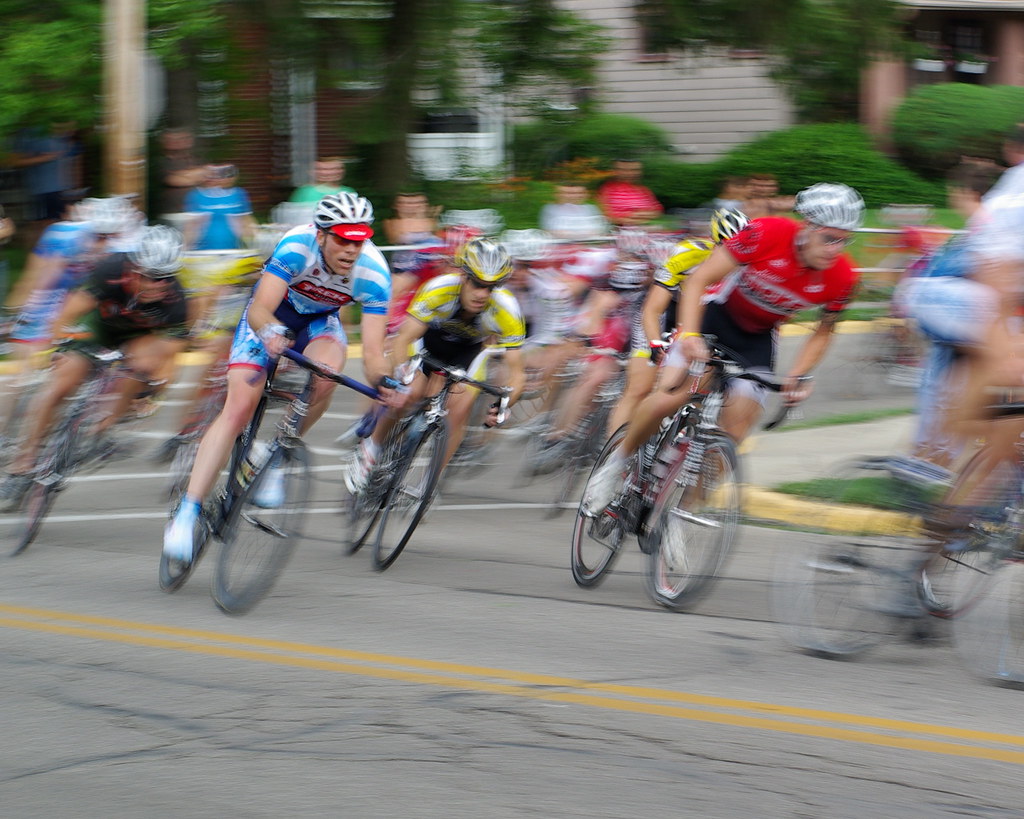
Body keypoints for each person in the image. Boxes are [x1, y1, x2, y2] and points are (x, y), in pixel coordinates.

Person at [583, 182, 864, 515]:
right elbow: (699, 280)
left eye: (845, 240)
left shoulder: (843, 278)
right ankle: (616, 464)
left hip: (756, 337)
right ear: (808, 228)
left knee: (735, 431)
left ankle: (683, 514)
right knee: (671, 395)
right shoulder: (766, 233)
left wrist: (799, 374)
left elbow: (824, 330)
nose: (836, 248)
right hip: (713, 316)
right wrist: (689, 336)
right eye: (829, 238)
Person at [163, 192, 400, 563]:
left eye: (359, 240)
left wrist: (385, 382)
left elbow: (372, 352)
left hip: (320, 323)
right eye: (342, 238)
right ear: (321, 235)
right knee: (239, 408)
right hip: (274, 315)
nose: (351, 249)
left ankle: (275, 457)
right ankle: (187, 512)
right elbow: (259, 308)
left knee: (326, 377)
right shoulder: (295, 246)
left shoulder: (374, 273)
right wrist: (271, 332)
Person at [0, 226, 191, 509]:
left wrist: (151, 391)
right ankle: (22, 464)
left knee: (143, 365)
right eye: (151, 276)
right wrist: (51, 348)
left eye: (166, 278)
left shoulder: (177, 303)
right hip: (97, 326)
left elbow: (167, 359)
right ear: (135, 267)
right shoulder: (111, 269)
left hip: (138, 338)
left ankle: (104, 428)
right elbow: (69, 311)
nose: (158, 285)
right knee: (61, 384)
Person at [345, 237, 526, 492]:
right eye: (477, 283)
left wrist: (505, 403)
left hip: (468, 352)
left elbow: (517, 373)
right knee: (410, 392)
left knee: (458, 410)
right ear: (464, 276)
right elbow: (403, 339)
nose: (482, 294)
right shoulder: (439, 289)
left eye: (491, 287)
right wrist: (403, 375)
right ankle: (370, 448)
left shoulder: (506, 309)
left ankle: (428, 486)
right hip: (426, 343)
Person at [608, 208, 750, 435]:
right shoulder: (688, 254)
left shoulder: (749, 267)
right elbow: (652, 309)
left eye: (741, 249)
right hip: (662, 315)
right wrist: (655, 343)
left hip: (699, 322)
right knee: (640, 387)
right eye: (728, 247)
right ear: (716, 242)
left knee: (695, 387)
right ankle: (613, 460)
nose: (734, 257)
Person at [182, 164, 256, 251]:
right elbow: (190, 226)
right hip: (202, 251)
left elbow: (247, 221)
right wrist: (184, 248)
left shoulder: (238, 194)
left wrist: (254, 243)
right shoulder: (196, 195)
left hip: (234, 251)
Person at [596, 159, 663, 228]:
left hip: (646, 230)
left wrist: (630, 216)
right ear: (616, 171)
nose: (629, 173)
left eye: (634, 170)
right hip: (620, 231)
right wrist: (635, 216)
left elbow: (657, 211)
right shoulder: (607, 190)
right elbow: (609, 217)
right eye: (624, 170)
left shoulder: (644, 190)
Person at [158, 128, 206, 217]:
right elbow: (176, 180)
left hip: (197, 212)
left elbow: (206, 176)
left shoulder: (197, 159)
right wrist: (195, 175)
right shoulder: (163, 162)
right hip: (174, 214)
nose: (178, 142)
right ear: (165, 142)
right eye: (173, 140)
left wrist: (184, 175)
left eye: (183, 139)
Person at [539, 182, 608, 240]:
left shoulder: (591, 209)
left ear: (585, 195)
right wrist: (586, 234)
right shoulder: (550, 209)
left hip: (588, 248)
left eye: (579, 193)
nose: (573, 196)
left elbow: (600, 231)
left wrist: (570, 234)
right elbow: (552, 232)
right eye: (567, 193)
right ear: (557, 195)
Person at [289, 157, 354, 203]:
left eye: (335, 169)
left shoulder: (348, 191)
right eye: (321, 169)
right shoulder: (305, 192)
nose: (328, 173)